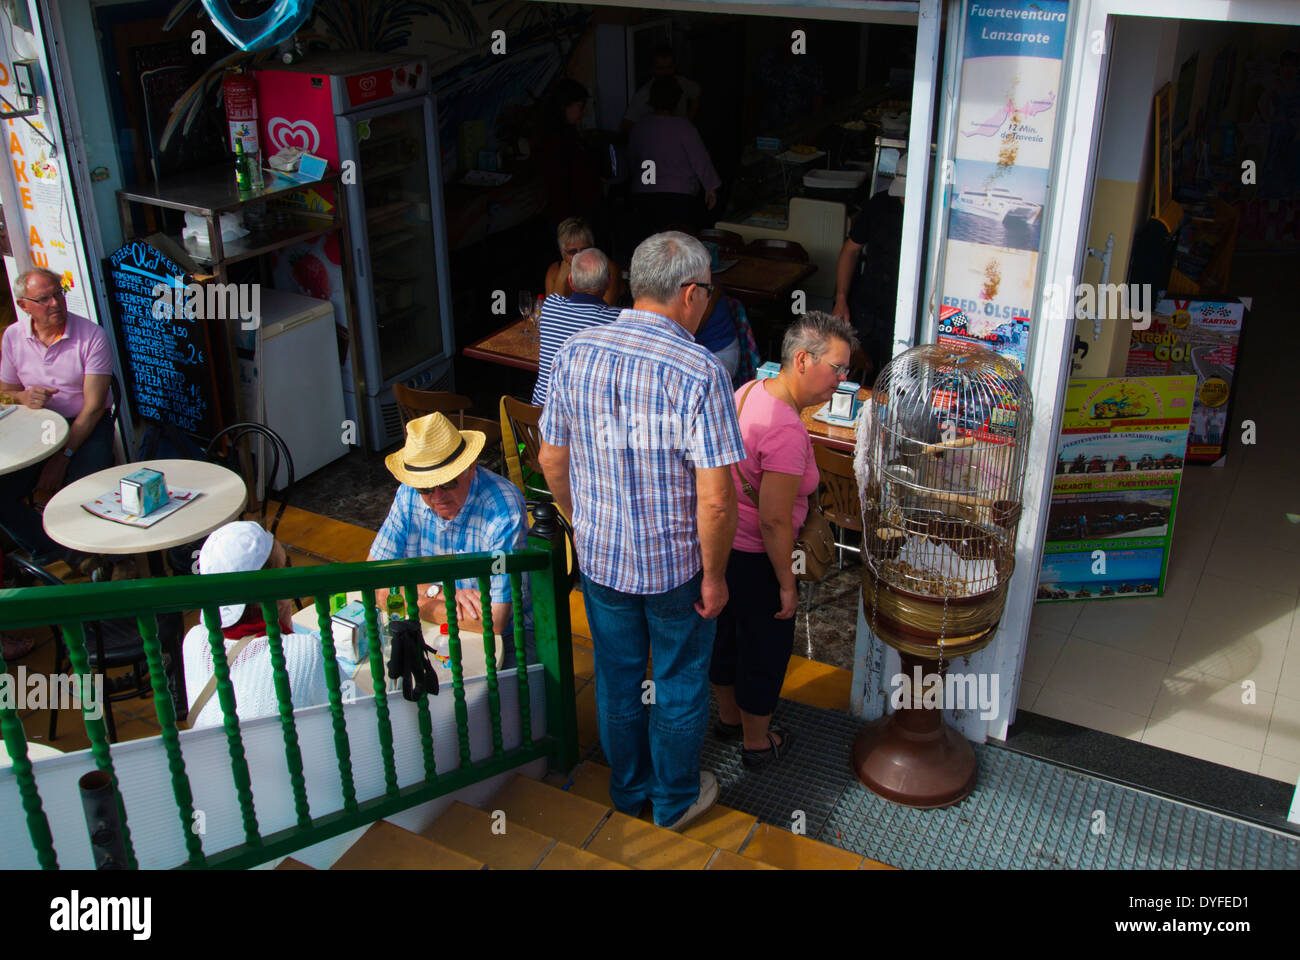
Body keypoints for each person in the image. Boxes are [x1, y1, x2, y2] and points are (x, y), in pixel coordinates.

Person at [538, 231, 745, 832]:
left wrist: (585, 522)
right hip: (675, 570)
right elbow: (716, 498)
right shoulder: (701, 371)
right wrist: (715, 575)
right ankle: (674, 800)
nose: (707, 302)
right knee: (679, 682)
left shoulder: (575, 351)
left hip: (603, 561)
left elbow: (552, 460)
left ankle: (628, 795)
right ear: (688, 294)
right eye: (707, 291)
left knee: (619, 679)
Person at [712, 312, 855, 766]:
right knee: (765, 648)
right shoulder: (788, 430)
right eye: (836, 368)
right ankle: (756, 743)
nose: (842, 379)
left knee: (725, 636)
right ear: (801, 360)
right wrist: (787, 584)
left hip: (723, 546)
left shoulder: (748, 391)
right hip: (761, 557)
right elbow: (775, 521)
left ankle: (728, 720)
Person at [368, 412, 531, 667]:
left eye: (447, 483)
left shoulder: (502, 508)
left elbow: (496, 620)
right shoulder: (407, 494)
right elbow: (374, 578)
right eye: (425, 488)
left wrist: (410, 597)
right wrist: (440, 592)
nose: (437, 497)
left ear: (471, 466)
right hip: (432, 632)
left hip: (507, 640)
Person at [181, 522, 329, 730]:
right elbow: (358, 711)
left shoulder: (193, 640)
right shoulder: (304, 651)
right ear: (272, 589)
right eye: (286, 565)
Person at [832, 153, 908, 381]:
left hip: (906, 312)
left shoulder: (936, 214)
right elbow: (850, 249)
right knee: (859, 373)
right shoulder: (881, 204)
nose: (903, 199)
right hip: (870, 309)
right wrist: (841, 298)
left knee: (901, 378)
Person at [627, 77, 721, 242]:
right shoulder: (684, 127)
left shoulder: (641, 126)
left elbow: (632, 159)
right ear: (678, 100)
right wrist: (710, 187)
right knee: (677, 244)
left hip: (645, 195)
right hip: (678, 197)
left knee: (651, 243)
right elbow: (700, 159)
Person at [533, 248, 622, 407]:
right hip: (580, 426)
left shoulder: (550, 305)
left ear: (571, 281)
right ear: (608, 282)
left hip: (535, 421)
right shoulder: (617, 319)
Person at [540, 78, 604, 228]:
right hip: (573, 215)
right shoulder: (557, 140)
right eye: (580, 107)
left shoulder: (568, 135)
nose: (584, 112)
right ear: (564, 107)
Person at [543, 218, 622, 306]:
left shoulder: (607, 268)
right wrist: (561, 279)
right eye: (573, 252)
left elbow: (604, 311)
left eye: (584, 250)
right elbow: (549, 313)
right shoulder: (554, 270)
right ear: (563, 253)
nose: (579, 256)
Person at [622, 44, 701, 128]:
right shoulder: (643, 94)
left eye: (669, 67)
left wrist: (687, 122)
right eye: (660, 68)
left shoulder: (682, 82)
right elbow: (627, 124)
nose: (665, 72)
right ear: (652, 69)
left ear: (675, 66)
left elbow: (696, 93)